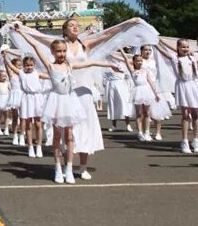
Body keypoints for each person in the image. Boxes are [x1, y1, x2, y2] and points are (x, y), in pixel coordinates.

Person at [16, 26, 120, 184]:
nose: (62, 54)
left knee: (70, 136)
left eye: (64, 51)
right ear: (52, 52)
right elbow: (36, 46)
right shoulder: (50, 66)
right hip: (56, 102)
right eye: (58, 51)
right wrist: (22, 32)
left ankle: (70, 169)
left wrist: (109, 65)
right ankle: (58, 168)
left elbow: (91, 63)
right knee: (58, 136)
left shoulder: (70, 66)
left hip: (70, 101)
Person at [120, 51, 159, 141]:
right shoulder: (133, 71)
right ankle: (140, 132)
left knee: (147, 113)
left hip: (147, 91)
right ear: (134, 62)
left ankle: (147, 132)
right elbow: (126, 59)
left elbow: (151, 82)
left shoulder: (145, 70)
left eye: (141, 61)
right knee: (139, 113)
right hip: (138, 91)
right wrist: (121, 49)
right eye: (137, 61)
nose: (139, 62)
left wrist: (155, 93)